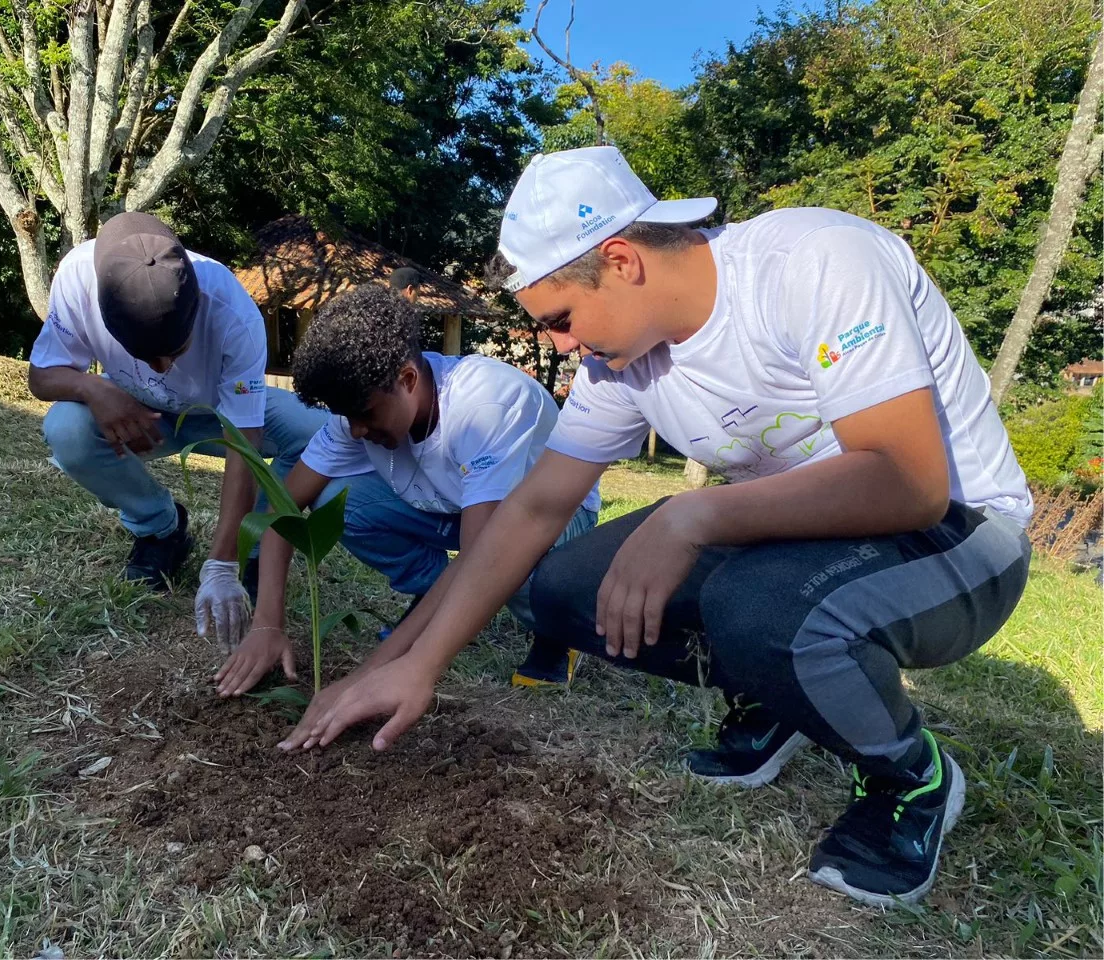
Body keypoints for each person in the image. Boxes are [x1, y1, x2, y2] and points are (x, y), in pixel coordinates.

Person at [275, 147, 1034, 909]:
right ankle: (778, 698)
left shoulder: (814, 261)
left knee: (756, 609)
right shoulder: (621, 364)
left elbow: (908, 482)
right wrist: (417, 665)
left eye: (561, 320)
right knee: (558, 590)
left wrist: (691, 514)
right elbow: (535, 510)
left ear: (621, 260)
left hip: (960, 535)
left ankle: (911, 777)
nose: (560, 345)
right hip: (792, 544)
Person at [212, 284, 599, 697]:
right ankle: (432, 592)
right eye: (347, 417)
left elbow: (481, 560)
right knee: (339, 501)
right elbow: (281, 510)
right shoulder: (356, 415)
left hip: (554, 517)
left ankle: (558, 631)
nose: (356, 431)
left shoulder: (486, 407)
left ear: (408, 379)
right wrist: (267, 625)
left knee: (513, 561)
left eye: (365, 415)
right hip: (452, 505)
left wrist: (367, 675)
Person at [28, 212, 327, 653]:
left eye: (176, 350)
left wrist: (223, 561)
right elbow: (41, 376)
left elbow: (244, 444)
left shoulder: (232, 311)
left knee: (315, 433)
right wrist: (92, 388)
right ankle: (160, 530)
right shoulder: (78, 277)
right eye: (144, 355)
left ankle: (258, 549)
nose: (163, 368)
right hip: (138, 414)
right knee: (65, 428)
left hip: (216, 412)